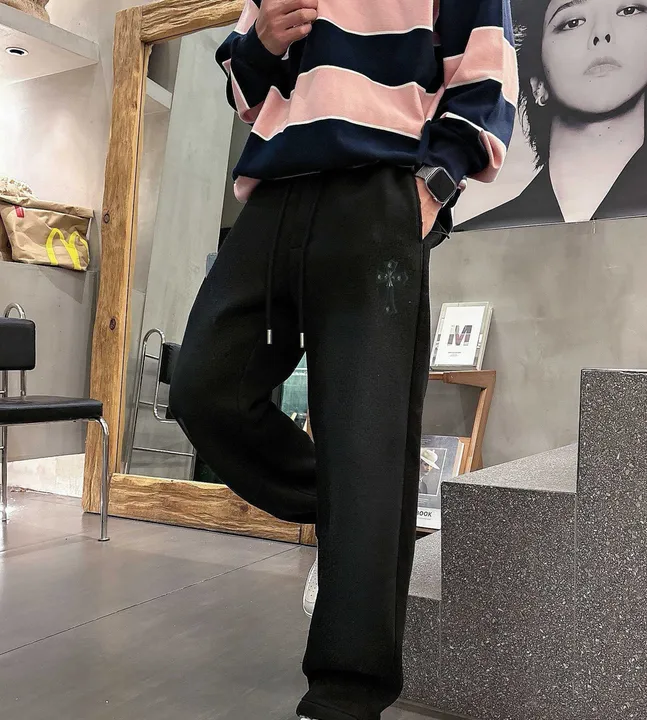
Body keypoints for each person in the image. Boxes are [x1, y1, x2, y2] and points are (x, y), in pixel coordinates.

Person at [168, 1, 517, 719]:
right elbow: (244, 87)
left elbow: (486, 74)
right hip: (276, 190)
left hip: (381, 190)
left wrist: (431, 189)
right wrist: (263, 44)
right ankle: (367, 510)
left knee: (365, 440)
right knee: (206, 388)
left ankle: (344, 700)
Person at [458, 0, 647, 231]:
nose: (601, 33)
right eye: (572, 22)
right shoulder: (470, 241)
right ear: (538, 84)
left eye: (629, 10)